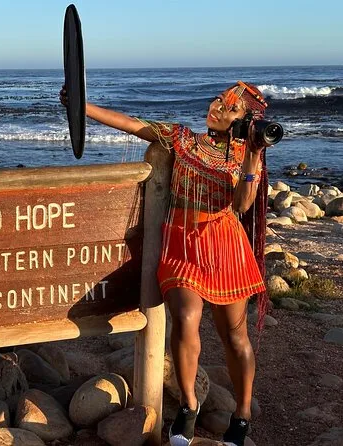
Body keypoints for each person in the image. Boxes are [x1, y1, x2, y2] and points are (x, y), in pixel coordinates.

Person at [60, 81, 270, 446]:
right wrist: (81, 107)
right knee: (186, 317)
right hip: (182, 245)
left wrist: (253, 153)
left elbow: (241, 205)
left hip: (225, 247)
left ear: (245, 121)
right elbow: (132, 124)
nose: (218, 108)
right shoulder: (181, 138)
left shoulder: (245, 157)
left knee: (236, 338)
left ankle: (242, 413)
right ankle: (189, 405)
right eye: (219, 100)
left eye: (231, 108)